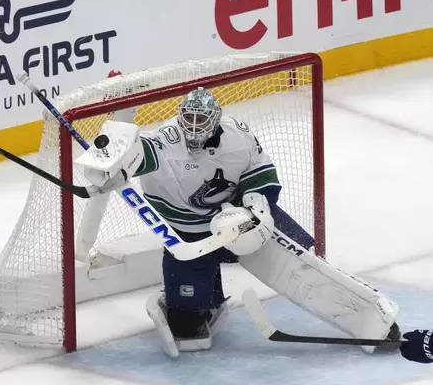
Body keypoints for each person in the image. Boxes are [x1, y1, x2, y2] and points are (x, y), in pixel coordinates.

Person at [77, 87, 400, 358]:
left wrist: (257, 211)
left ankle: (372, 321)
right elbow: (140, 150)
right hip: (189, 234)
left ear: (215, 120)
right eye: (187, 118)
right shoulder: (167, 139)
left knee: (304, 263)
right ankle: (202, 301)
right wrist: (108, 165)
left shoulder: (238, 136)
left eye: (200, 119)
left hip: (236, 218)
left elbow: (261, 177)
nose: (192, 126)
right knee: (190, 334)